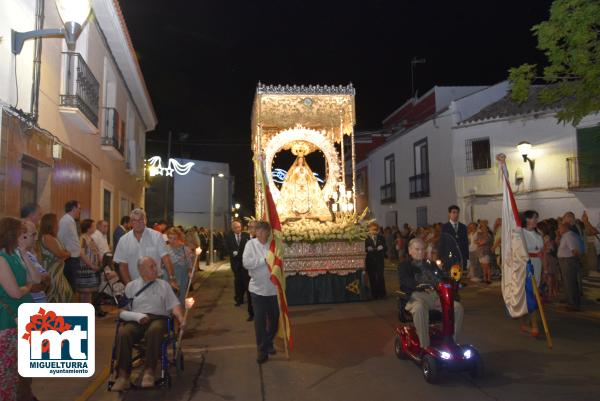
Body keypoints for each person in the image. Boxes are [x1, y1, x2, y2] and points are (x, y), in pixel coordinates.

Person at [111, 257, 185, 392]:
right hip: (137, 319)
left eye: (155, 266)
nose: (156, 269)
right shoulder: (131, 286)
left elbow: (174, 305)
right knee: (123, 333)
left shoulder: (164, 285)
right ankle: (122, 376)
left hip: (158, 318)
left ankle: (149, 371)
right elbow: (122, 310)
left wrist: (180, 318)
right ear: (141, 270)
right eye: (152, 267)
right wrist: (135, 316)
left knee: (154, 330)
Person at [0, 217, 41, 401]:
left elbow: (37, 279)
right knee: (7, 374)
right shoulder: (2, 258)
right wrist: (27, 287)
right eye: (21, 233)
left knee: (20, 370)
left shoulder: (17, 254)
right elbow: (16, 292)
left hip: (22, 318)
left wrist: (24, 253)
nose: (23, 236)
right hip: (8, 322)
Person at [398, 238, 464, 349]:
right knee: (420, 308)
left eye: (422, 249)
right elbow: (406, 281)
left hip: (435, 296)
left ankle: (452, 341)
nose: (420, 252)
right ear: (410, 251)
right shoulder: (404, 266)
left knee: (457, 307)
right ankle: (425, 346)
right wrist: (419, 285)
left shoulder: (431, 264)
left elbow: (441, 278)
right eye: (417, 249)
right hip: (416, 297)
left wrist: (453, 282)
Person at [113, 209, 178, 291]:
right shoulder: (123, 240)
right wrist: (129, 285)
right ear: (131, 222)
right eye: (134, 220)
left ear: (146, 220)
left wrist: (172, 278)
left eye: (141, 220)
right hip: (135, 285)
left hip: (156, 283)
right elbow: (122, 266)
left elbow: (166, 258)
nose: (138, 223)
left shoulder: (157, 236)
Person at [243, 221, 279, 364]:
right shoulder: (250, 245)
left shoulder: (273, 245)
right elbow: (246, 263)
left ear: (268, 232)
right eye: (260, 231)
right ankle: (262, 350)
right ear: (256, 232)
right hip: (257, 289)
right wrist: (264, 260)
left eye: (265, 231)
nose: (262, 234)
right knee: (259, 321)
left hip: (273, 289)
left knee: (275, 320)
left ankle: (268, 341)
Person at [39, 213, 73, 303]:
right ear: (51, 223)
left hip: (58, 270)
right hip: (52, 271)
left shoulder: (53, 237)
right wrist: (67, 254)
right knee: (59, 293)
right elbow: (59, 254)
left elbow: (63, 251)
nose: (58, 224)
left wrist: (66, 253)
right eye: (56, 222)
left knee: (65, 293)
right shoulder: (47, 237)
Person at [520, 210, 544, 336]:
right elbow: (519, 252)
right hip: (527, 266)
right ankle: (534, 326)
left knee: (532, 295)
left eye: (536, 218)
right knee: (530, 296)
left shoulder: (538, 233)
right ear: (527, 219)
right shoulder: (521, 233)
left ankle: (525, 323)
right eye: (534, 218)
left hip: (538, 265)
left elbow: (541, 250)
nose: (536, 220)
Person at [225, 220, 253, 321]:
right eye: (235, 227)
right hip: (236, 263)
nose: (238, 229)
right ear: (232, 228)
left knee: (245, 281)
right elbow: (227, 247)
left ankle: (245, 297)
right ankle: (239, 298)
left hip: (245, 263)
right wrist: (232, 253)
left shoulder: (246, 235)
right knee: (237, 281)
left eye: (239, 227)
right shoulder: (229, 237)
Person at [79, 219, 105, 317]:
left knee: (89, 292)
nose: (95, 228)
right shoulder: (82, 238)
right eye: (93, 226)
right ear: (88, 228)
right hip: (85, 268)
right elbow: (81, 253)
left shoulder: (90, 238)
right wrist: (91, 265)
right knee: (85, 292)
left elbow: (96, 251)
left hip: (92, 268)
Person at [22, 220, 51, 303]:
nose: (36, 238)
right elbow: (34, 285)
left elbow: (47, 279)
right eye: (33, 234)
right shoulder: (13, 256)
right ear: (22, 236)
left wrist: (41, 281)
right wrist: (33, 284)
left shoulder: (28, 254)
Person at [57, 200, 82, 292]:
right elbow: (60, 239)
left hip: (73, 258)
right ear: (74, 208)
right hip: (69, 259)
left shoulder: (71, 221)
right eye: (79, 209)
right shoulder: (65, 221)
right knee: (70, 288)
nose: (80, 211)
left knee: (73, 287)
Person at [557, 222, 582, 310]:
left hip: (568, 261)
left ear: (565, 228)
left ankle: (573, 304)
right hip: (567, 261)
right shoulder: (567, 235)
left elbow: (575, 251)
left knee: (570, 282)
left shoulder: (569, 236)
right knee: (568, 282)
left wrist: (577, 260)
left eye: (560, 228)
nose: (558, 230)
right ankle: (570, 300)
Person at [166, 227, 193, 304]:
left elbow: (189, 264)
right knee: (170, 299)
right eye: (170, 238)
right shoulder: (165, 249)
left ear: (179, 238)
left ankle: (179, 315)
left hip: (183, 276)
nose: (172, 241)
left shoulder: (185, 249)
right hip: (170, 277)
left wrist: (190, 272)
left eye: (175, 238)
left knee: (181, 298)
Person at [439, 205, 469, 271]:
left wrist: (466, 255)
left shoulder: (463, 227)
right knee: (451, 273)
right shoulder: (445, 227)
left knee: (461, 273)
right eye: (453, 212)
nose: (456, 214)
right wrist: (441, 256)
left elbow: (466, 241)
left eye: (457, 212)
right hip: (449, 254)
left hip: (461, 254)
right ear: (449, 214)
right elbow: (442, 242)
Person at [365, 222, 387, 299]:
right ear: (369, 229)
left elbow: (385, 247)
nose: (374, 231)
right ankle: (374, 294)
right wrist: (367, 249)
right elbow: (363, 248)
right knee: (372, 277)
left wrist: (382, 247)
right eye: (373, 229)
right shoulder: (366, 238)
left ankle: (382, 294)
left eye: (376, 229)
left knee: (380, 277)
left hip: (379, 260)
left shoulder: (381, 237)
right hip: (370, 260)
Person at [476, 220, 494, 284]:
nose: (482, 229)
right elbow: (476, 242)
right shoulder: (480, 234)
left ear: (487, 228)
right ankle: (484, 278)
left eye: (484, 228)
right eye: (481, 228)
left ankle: (489, 279)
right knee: (483, 267)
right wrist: (479, 242)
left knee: (487, 266)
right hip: (480, 253)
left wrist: (480, 242)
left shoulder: (488, 235)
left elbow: (482, 243)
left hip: (485, 252)